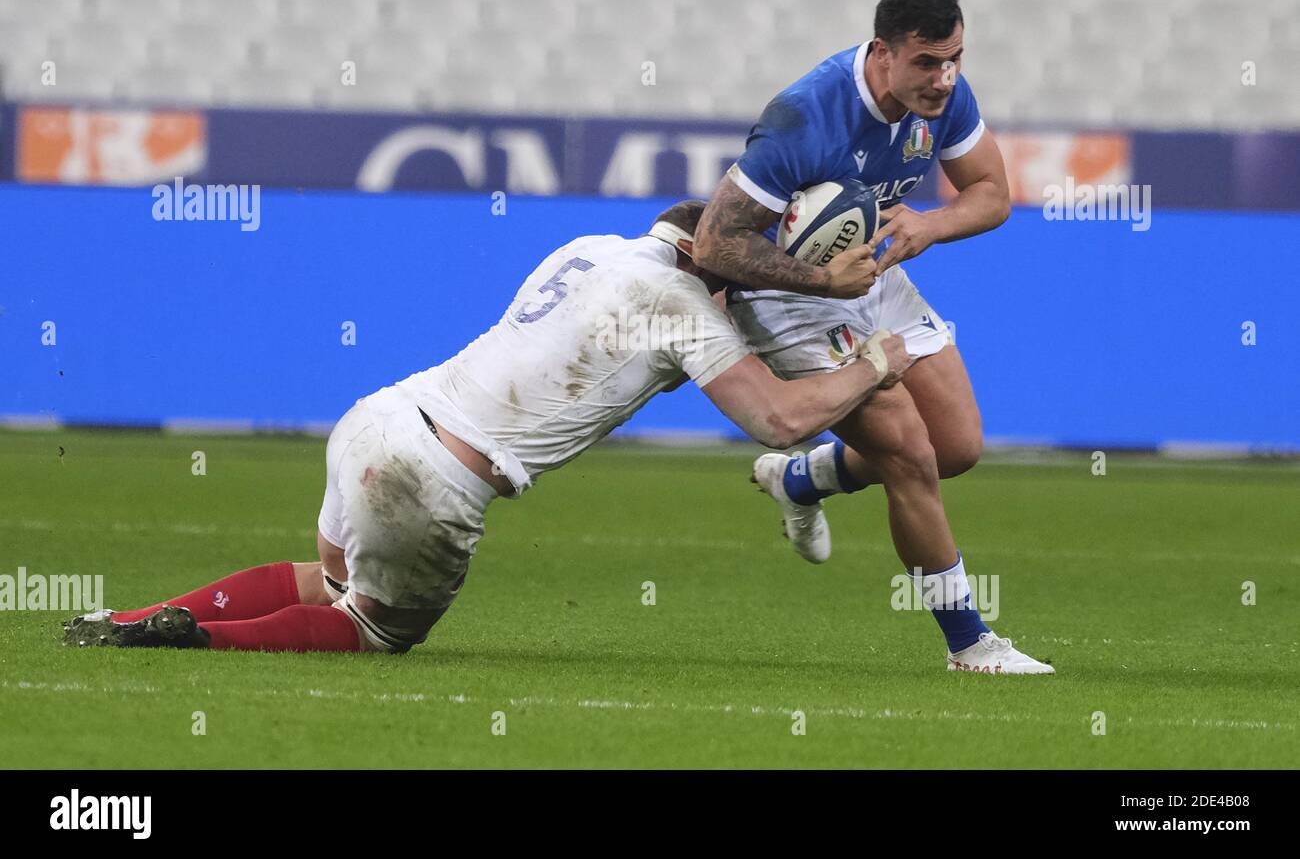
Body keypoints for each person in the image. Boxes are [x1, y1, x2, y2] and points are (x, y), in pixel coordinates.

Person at [63, 200, 913, 654]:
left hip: (377, 417)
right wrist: (876, 363)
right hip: (430, 481)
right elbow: (778, 419)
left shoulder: (589, 248)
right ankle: (195, 639)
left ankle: (128, 617)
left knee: (322, 578)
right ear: (707, 257)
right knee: (376, 629)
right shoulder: (677, 301)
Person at [691, 0, 1053, 674]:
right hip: (789, 298)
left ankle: (803, 482)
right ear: (883, 52)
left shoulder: (945, 95)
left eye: (955, 59)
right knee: (908, 452)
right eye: (926, 62)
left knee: (956, 447)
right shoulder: (805, 117)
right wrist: (824, 280)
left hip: (876, 275)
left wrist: (930, 225)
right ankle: (971, 644)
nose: (944, 79)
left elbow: (992, 194)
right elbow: (715, 243)